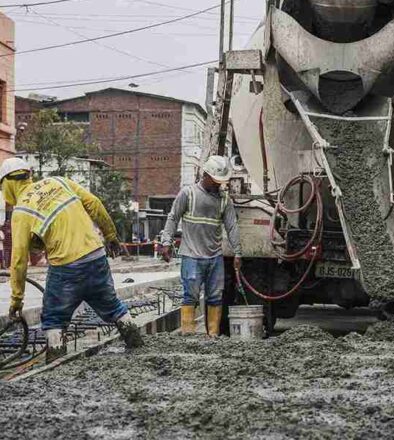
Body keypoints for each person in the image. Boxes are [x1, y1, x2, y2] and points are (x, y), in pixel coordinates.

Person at [1, 157, 143, 362]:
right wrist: (111, 236)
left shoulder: (21, 211)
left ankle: (56, 365)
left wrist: (16, 300)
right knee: (113, 306)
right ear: (28, 175)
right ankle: (137, 346)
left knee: (54, 319)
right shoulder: (59, 182)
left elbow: (19, 261)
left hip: (66, 268)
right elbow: (94, 203)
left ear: (7, 184)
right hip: (96, 256)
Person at [161, 155, 242, 337]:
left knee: (215, 297)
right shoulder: (188, 194)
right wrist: (166, 242)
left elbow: (232, 226)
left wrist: (238, 252)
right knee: (190, 296)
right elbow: (173, 217)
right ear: (205, 175)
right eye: (215, 181)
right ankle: (188, 335)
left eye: (220, 182)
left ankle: (212, 335)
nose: (218, 185)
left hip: (215, 258)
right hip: (191, 256)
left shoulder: (224, 200)